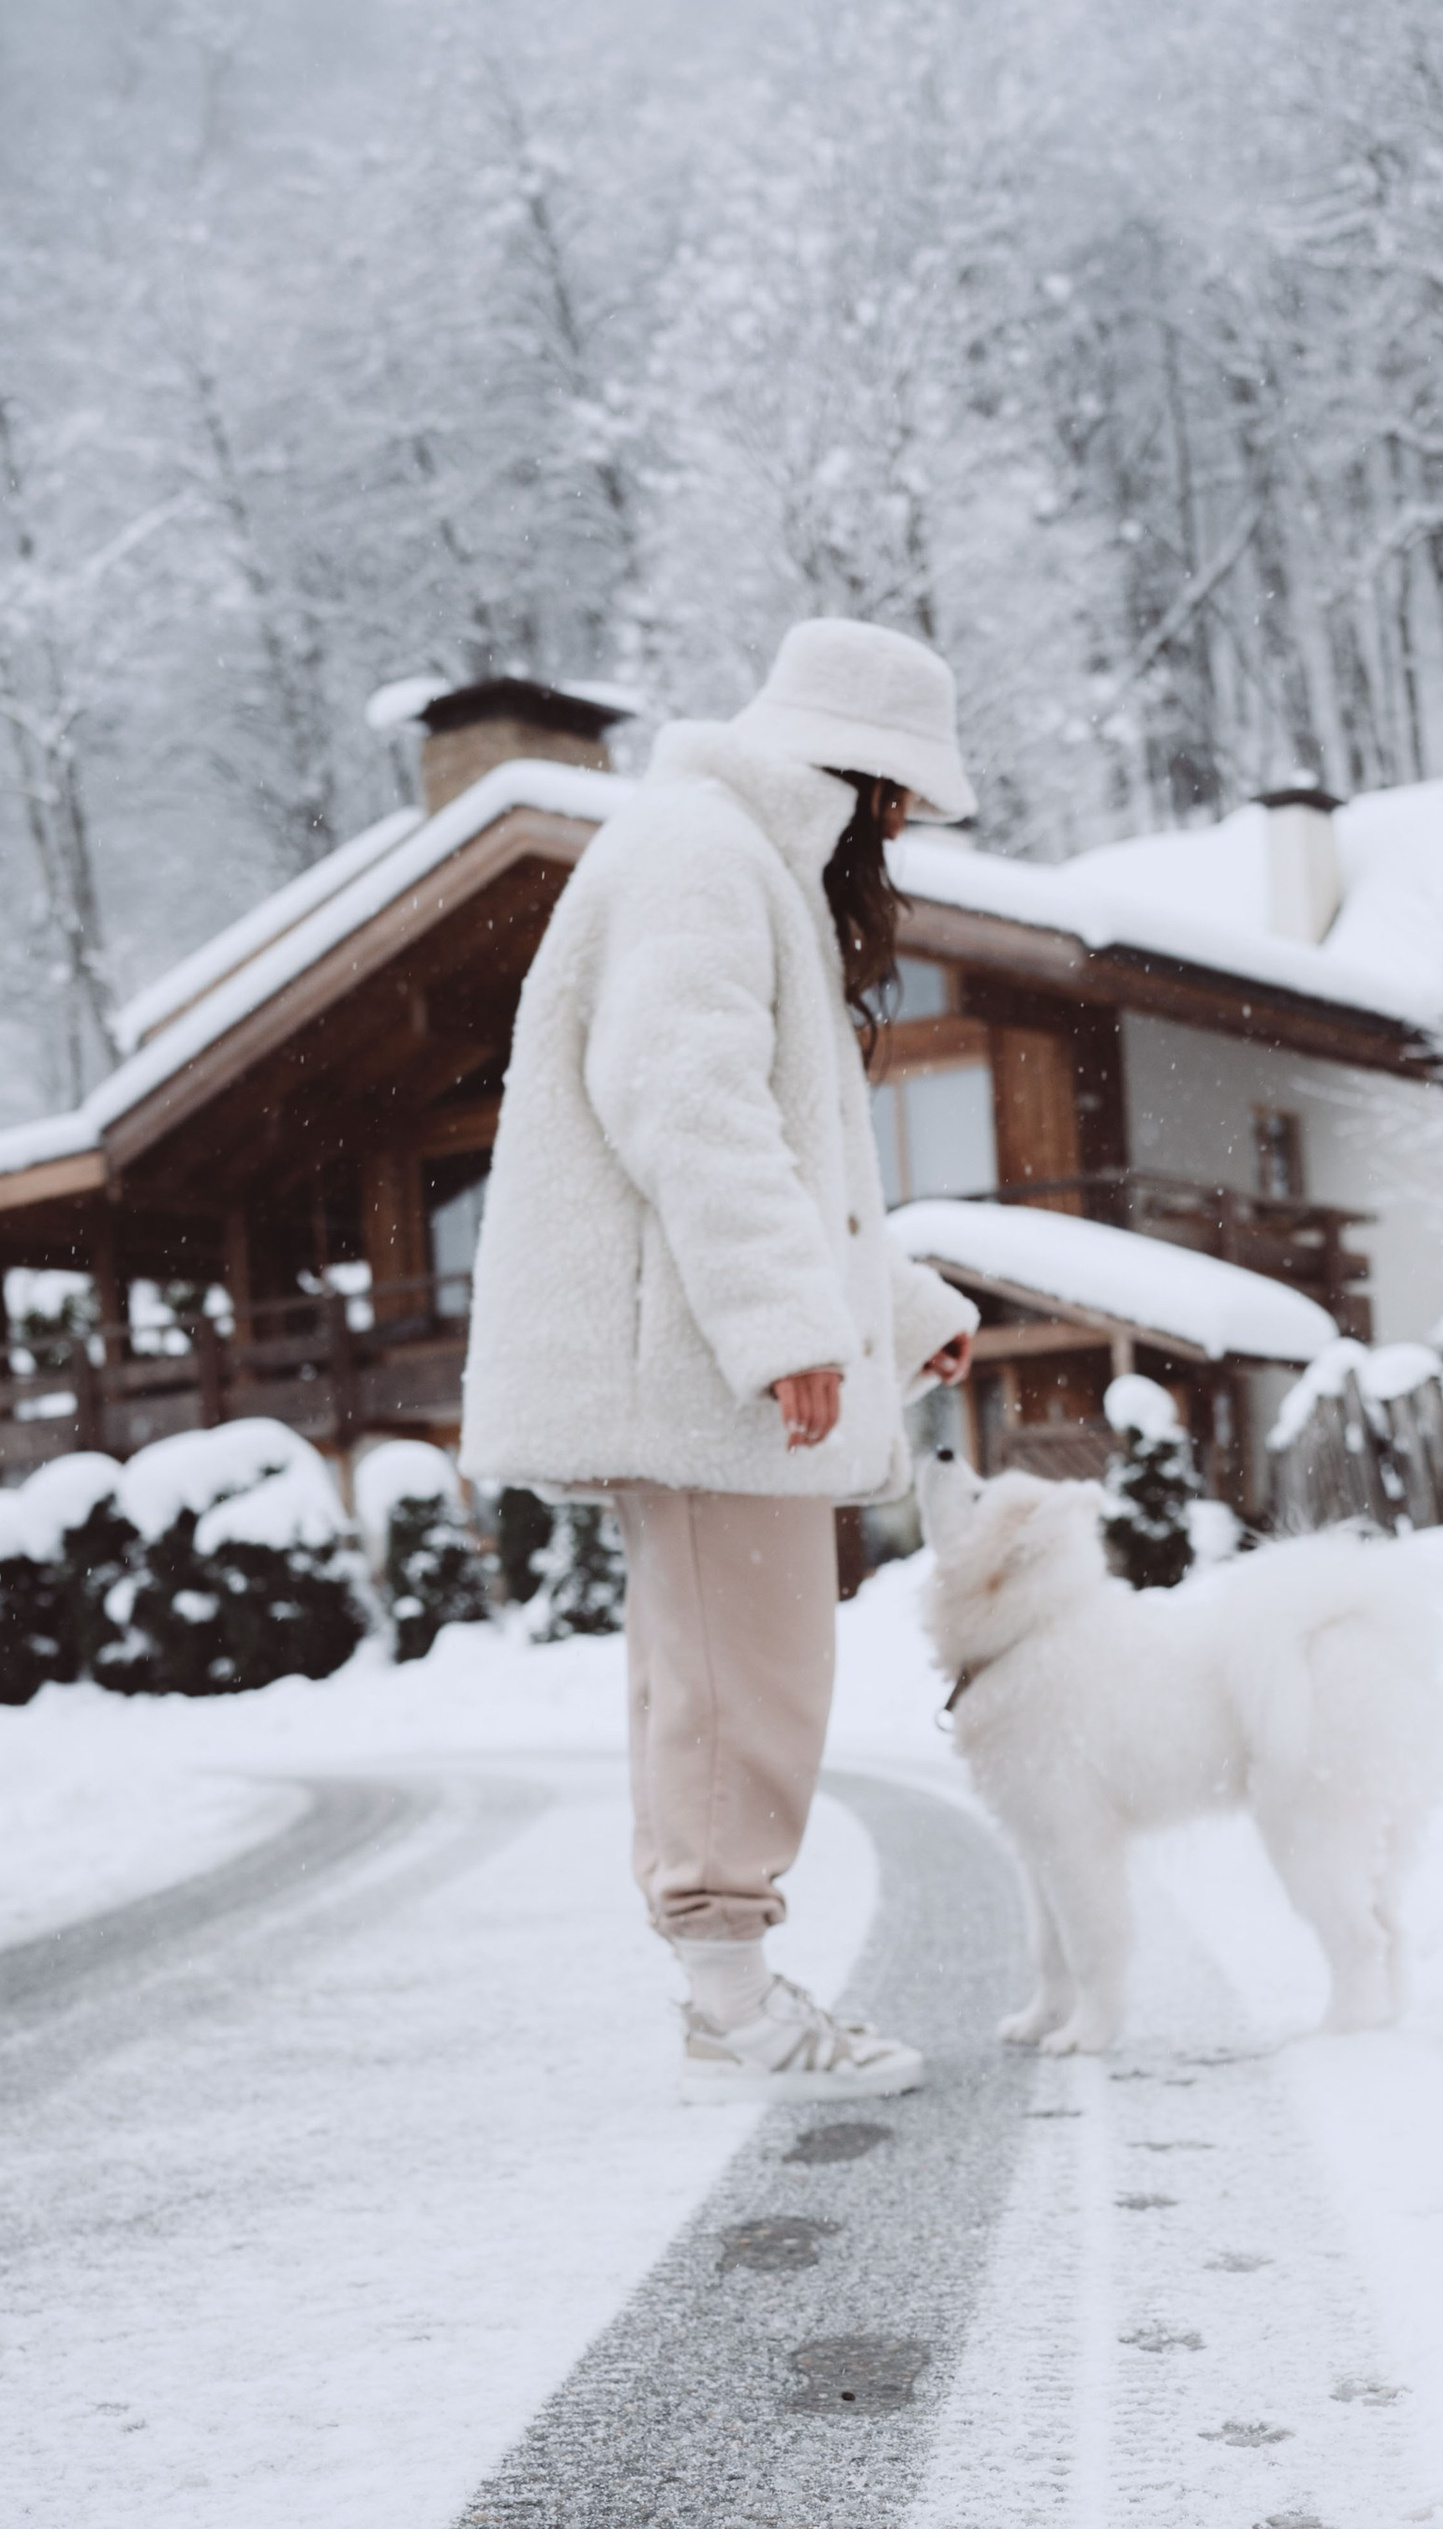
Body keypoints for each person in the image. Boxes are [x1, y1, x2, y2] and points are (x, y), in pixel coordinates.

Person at [461, 618, 981, 2099]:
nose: (900, 835)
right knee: (741, 1680)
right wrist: (787, 1329)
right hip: (696, 1365)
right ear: (859, 772)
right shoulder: (703, 852)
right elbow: (683, 1099)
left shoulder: (730, 858)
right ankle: (735, 2012)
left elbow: (788, 1159)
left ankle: (729, 1995)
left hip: (708, 1354)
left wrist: (893, 1311)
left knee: (736, 1669)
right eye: (898, 799)